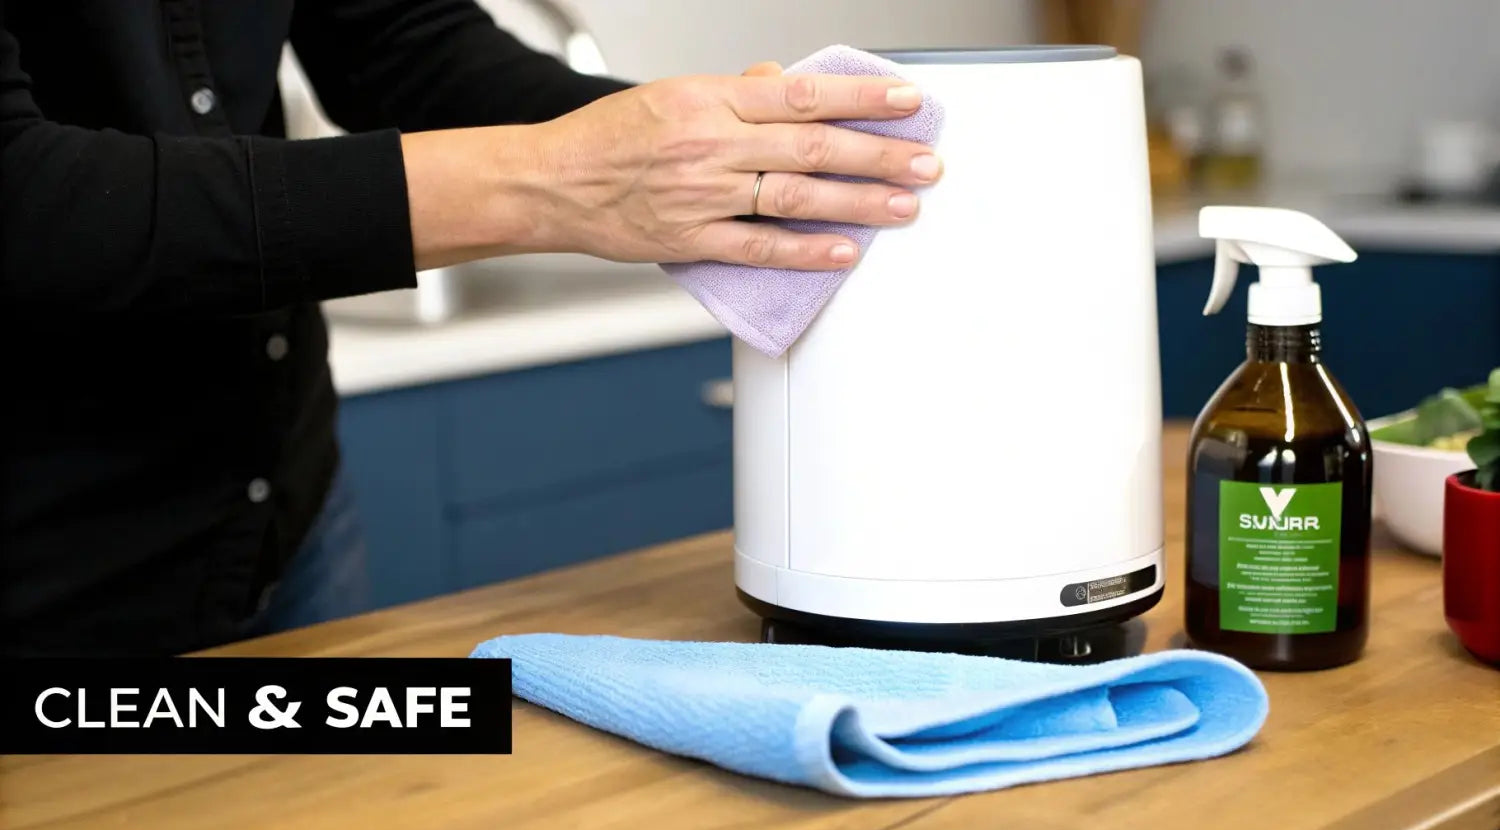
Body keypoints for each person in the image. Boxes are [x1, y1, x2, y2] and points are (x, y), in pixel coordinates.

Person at [0, 1, 943, 657]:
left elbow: (404, 42)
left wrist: (715, 149)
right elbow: (23, 201)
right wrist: (552, 177)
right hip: (48, 574)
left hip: (283, 518)